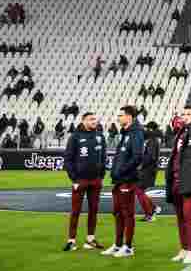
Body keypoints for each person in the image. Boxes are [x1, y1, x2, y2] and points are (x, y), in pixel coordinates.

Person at [102, 106, 144, 257]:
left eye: (121, 115)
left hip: (127, 179)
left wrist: (122, 170)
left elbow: (137, 156)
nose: (118, 118)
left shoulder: (136, 133)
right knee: (118, 213)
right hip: (119, 180)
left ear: (129, 117)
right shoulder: (126, 133)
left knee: (127, 213)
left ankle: (128, 247)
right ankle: (118, 244)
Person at [165, 105, 191, 264]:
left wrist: (189, 124)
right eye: (184, 114)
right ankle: (183, 248)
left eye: (189, 114)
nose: (186, 116)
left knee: (188, 216)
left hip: (188, 179)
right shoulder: (180, 133)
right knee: (180, 217)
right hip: (176, 179)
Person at [62, 112, 107, 251]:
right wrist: (74, 179)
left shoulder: (100, 135)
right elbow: (68, 159)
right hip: (80, 180)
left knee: (94, 210)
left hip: (95, 181)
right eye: (91, 119)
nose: (94, 121)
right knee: (75, 211)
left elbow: (103, 156)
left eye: (95, 119)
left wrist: (101, 176)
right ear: (83, 121)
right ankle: (71, 240)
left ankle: (90, 239)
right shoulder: (75, 137)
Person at [137, 122, 163, 222]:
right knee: (140, 191)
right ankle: (154, 208)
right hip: (149, 169)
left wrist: (140, 165)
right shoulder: (153, 140)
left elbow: (150, 157)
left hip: (148, 170)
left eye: (147, 128)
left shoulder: (152, 141)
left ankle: (150, 213)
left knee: (139, 191)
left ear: (151, 129)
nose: (145, 131)